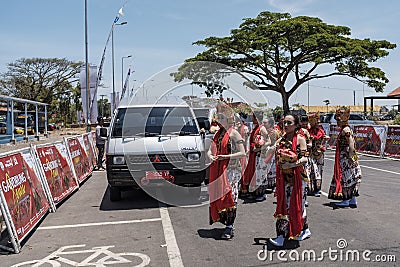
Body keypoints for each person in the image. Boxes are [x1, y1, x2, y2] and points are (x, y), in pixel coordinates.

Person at [269, 114, 311, 247]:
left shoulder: (300, 139)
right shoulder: (281, 139)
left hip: (298, 178)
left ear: (296, 125)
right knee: (284, 205)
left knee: (297, 206)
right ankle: (285, 234)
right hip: (284, 179)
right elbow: (271, 149)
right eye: (284, 123)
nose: (285, 125)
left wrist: (291, 165)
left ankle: (293, 232)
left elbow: (305, 159)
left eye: (289, 123)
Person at [208, 102, 246, 240]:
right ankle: (225, 222)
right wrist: (210, 155)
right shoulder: (218, 134)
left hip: (232, 170)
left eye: (222, 118)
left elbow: (243, 153)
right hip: (219, 169)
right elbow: (209, 149)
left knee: (230, 197)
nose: (219, 120)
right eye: (219, 118)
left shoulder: (234, 133)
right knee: (220, 196)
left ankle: (230, 227)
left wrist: (227, 156)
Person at [328, 107, 362, 208]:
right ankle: (352, 199)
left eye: (338, 120)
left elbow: (351, 143)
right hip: (347, 156)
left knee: (346, 177)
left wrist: (351, 156)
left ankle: (346, 199)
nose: (337, 122)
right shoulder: (345, 129)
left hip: (346, 157)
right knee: (350, 177)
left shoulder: (346, 130)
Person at [241, 111, 269, 201]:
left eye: (253, 117)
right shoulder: (256, 127)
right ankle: (254, 192)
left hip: (259, 154)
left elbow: (268, 141)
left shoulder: (262, 128)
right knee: (253, 173)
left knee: (259, 173)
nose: (252, 119)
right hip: (254, 154)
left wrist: (259, 148)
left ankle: (261, 193)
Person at [307, 112, 327, 197]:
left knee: (318, 170)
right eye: (310, 120)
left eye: (313, 120)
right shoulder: (308, 131)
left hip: (319, 153)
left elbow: (323, 139)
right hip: (311, 153)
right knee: (311, 170)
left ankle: (317, 188)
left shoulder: (320, 131)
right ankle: (311, 188)